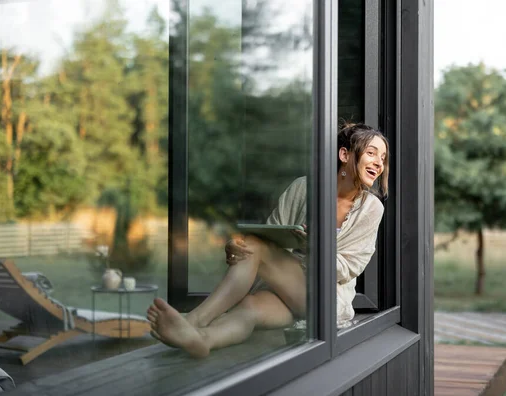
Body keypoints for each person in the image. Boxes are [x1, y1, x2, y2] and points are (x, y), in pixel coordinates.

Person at [147, 122, 389, 358]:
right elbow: (271, 235)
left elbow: (350, 268)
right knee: (250, 307)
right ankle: (203, 340)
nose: (379, 163)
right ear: (344, 154)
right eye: (371, 153)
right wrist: (239, 247)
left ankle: (193, 321)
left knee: (255, 247)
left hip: (325, 297)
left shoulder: (371, 208)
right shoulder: (303, 188)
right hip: (285, 288)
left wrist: (314, 247)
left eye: (383, 158)